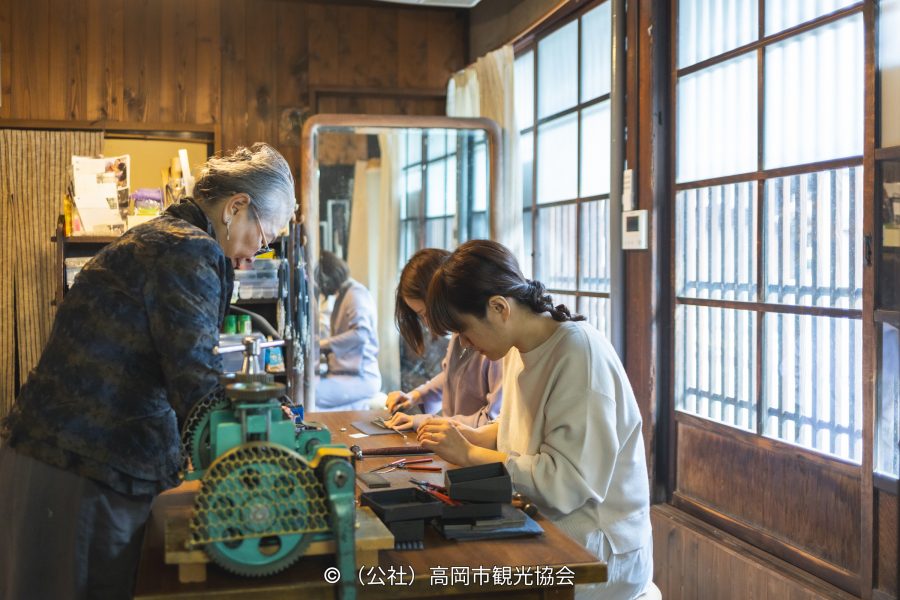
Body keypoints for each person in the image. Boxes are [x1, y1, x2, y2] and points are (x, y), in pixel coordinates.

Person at [0, 143, 296, 600]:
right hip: (83, 468)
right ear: (237, 207)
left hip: (63, 456)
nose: (259, 253)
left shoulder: (163, 235)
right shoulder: (189, 250)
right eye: (264, 237)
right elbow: (195, 380)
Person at [417, 239, 653, 600]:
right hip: (553, 528)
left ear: (499, 308)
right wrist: (475, 436)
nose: (464, 344)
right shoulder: (518, 348)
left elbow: (565, 483)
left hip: (597, 553)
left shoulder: (577, 354)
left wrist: (467, 454)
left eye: (464, 331)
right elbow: (530, 432)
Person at [384, 248, 503, 431]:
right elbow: (451, 376)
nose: (426, 323)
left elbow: (493, 421)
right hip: (455, 443)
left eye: (424, 314)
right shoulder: (459, 335)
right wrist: (415, 395)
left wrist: (426, 422)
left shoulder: (497, 346)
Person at [316, 251, 382, 411]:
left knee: (312, 396)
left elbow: (361, 334)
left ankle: (361, 407)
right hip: (345, 375)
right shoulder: (344, 294)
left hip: (360, 377)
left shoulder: (356, 294)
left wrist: (323, 344)